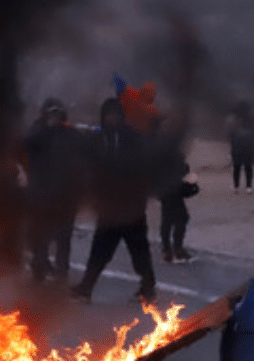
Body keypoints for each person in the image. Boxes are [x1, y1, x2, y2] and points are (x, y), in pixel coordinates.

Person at [72, 98, 156, 305]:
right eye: (108, 114)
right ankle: (86, 288)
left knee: (139, 252)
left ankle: (148, 287)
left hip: (131, 208)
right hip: (109, 208)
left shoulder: (133, 138)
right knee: (99, 251)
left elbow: (144, 169)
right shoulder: (98, 139)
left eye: (115, 114)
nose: (112, 118)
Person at [22, 98, 85, 285]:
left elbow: (84, 153)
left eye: (58, 114)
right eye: (51, 114)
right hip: (42, 195)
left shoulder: (70, 134)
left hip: (66, 197)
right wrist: (46, 128)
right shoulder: (38, 132)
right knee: (41, 237)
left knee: (64, 238)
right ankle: (39, 269)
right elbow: (25, 145)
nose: (55, 118)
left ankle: (61, 272)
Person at [152, 113, 193, 264]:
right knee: (174, 217)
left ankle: (172, 249)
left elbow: (180, 165)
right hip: (165, 187)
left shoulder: (170, 143)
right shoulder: (159, 144)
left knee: (175, 218)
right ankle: (171, 249)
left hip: (174, 186)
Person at [227, 101, 254, 194]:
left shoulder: (233, 119)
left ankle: (236, 186)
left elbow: (230, 134)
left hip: (237, 146)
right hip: (248, 146)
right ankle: (249, 186)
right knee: (248, 167)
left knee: (237, 167)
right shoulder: (251, 119)